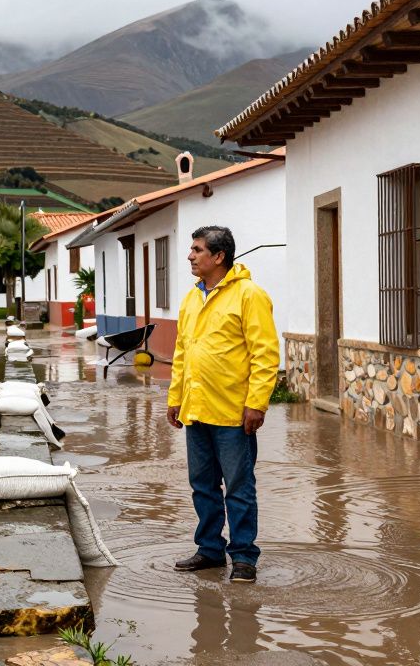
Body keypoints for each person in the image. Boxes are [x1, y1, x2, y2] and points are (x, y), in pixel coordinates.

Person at [166, 226, 279, 583]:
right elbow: (182, 352)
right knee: (202, 485)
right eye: (191, 249)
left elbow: (265, 354)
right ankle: (210, 550)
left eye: (197, 249)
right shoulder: (191, 298)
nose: (190, 256)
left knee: (239, 487)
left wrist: (256, 404)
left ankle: (244, 557)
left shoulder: (249, 295)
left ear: (219, 256)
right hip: (196, 409)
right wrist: (175, 398)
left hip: (232, 412)